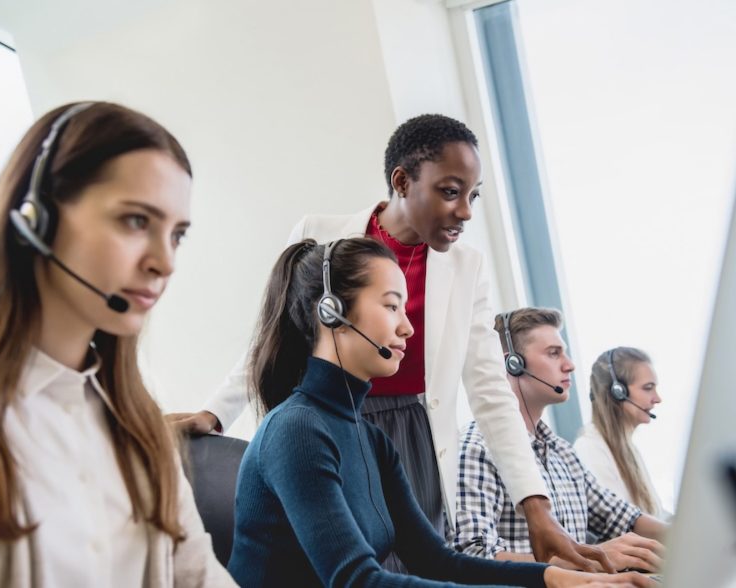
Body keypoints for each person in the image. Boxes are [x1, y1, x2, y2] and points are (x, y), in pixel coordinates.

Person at [169, 114, 612, 570]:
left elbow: (489, 390)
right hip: (329, 420)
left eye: (473, 195)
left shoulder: (465, 267)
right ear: (402, 181)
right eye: (450, 191)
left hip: (409, 438)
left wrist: (536, 510)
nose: (465, 211)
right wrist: (216, 412)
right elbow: (273, 334)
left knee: (423, 565)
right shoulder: (320, 236)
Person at [227, 238, 652, 587]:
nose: (407, 326)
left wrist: (554, 579)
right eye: (392, 306)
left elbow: (438, 562)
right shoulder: (297, 430)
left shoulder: (371, 439)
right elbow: (358, 582)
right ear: (332, 311)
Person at [0, 102, 236, 587]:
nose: (165, 261)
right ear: (36, 217)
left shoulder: (137, 424)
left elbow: (198, 575)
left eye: (177, 234)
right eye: (137, 221)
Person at [454, 308, 667, 572]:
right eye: (553, 353)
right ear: (512, 364)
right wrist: (587, 560)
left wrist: (692, 536)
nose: (570, 364)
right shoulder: (476, 447)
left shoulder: (562, 452)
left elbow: (623, 517)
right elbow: (472, 557)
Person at [574, 348, 670, 520]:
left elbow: (656, 515)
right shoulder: (590, 449)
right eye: (648, 388)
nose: (657, 398)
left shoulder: (628, 448)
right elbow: (620, 524)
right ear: (618, 391)